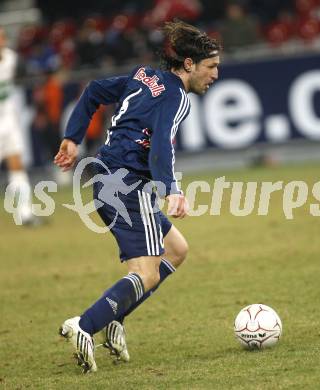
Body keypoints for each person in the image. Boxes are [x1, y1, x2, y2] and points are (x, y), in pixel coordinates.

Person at [55, 20, 220, 373]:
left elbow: (95, 90)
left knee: (176, 250)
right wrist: (171, 190)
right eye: (211, 67)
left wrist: (73, 137)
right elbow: (161, 145)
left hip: (109, 179)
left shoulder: (144, 75)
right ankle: (83, 326)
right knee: (146, 273)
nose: (215, 75)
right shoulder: (177, 96)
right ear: (189, 64)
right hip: (127, 186)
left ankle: (115, 317)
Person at [0, 27, 35, 225]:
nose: (1, 41)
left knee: (17, 166)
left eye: (3, 36)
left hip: (8, 121)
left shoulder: (12, 59)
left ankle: (25, 213)